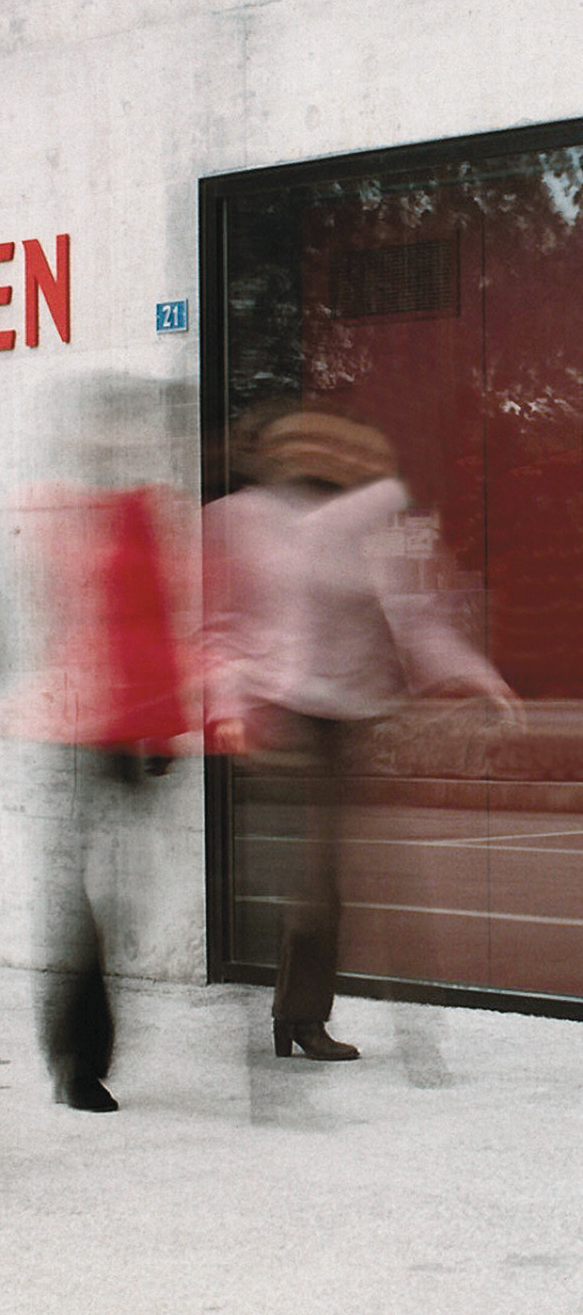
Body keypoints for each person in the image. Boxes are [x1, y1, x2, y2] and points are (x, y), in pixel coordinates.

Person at [204, 408, 514, 1061]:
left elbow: (419, 617)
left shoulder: (371, 523)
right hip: (282, 709)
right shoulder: (243, 518)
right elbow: (218, 623)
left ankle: (300, 1015)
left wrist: (479, 678)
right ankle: (298, 1017)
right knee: (317, 872)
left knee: (337, 874)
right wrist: (228, 704)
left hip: (350, 710)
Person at [9, 376, 201, 1110]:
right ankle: (76, 1055)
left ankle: (80, 1046)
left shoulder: (148, 512)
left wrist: (165, 722)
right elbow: (41, 616)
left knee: (123, 894)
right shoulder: (52, 508)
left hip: (126, 725)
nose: (116, 439)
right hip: (68, 725)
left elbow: (161, 619)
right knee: (77, 896)